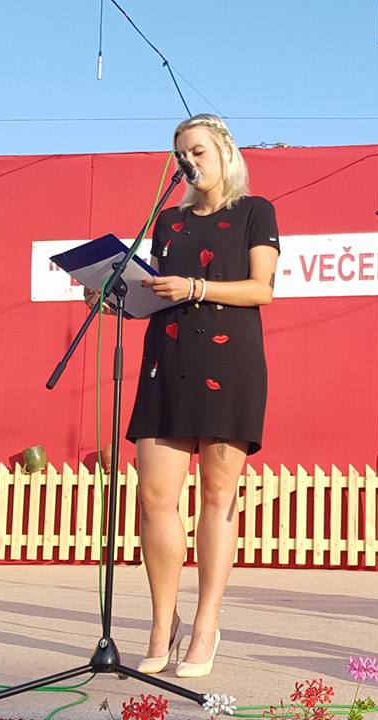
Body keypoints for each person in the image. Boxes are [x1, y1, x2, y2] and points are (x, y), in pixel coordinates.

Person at [88, 114, 279, 678]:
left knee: (217, 495)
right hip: (166, 361)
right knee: (154, 498)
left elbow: (262, 290)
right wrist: (116, 299)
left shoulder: (255, 211)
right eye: (181, 154)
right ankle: (160, 623)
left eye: (198, 150)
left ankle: (205, 625)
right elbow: (157, 292)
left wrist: (195, 286)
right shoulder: (168, 221)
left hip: (230, 360)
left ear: (224, 151)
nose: (189, 162)